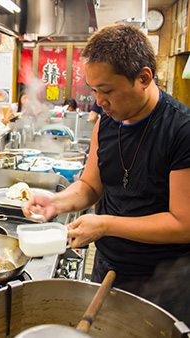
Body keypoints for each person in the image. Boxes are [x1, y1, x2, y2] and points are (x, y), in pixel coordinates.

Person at [22, 24, 190, 322]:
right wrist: (56, 202)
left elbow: (183, 223)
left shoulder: (180, 130)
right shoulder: (107, 123)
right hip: (109, 266)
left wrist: (105, 225)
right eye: (94, 90)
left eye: (107, 90)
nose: (99, 102)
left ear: (144, 77)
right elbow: (90, 185)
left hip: (164, 282)